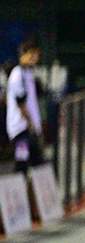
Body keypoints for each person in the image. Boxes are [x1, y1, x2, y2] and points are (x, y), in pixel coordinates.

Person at [6, 40, 44, 173]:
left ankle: (33, 193)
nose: (35, 58)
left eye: (37, 55)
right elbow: (20, 103)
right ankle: (16, 193)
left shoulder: (29, 74)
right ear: (23, 55)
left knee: (38, 165)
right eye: (32, 54)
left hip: (30, 129)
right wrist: (30, 125)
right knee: (22, 164)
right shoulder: (18, 74)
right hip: (22, 130)